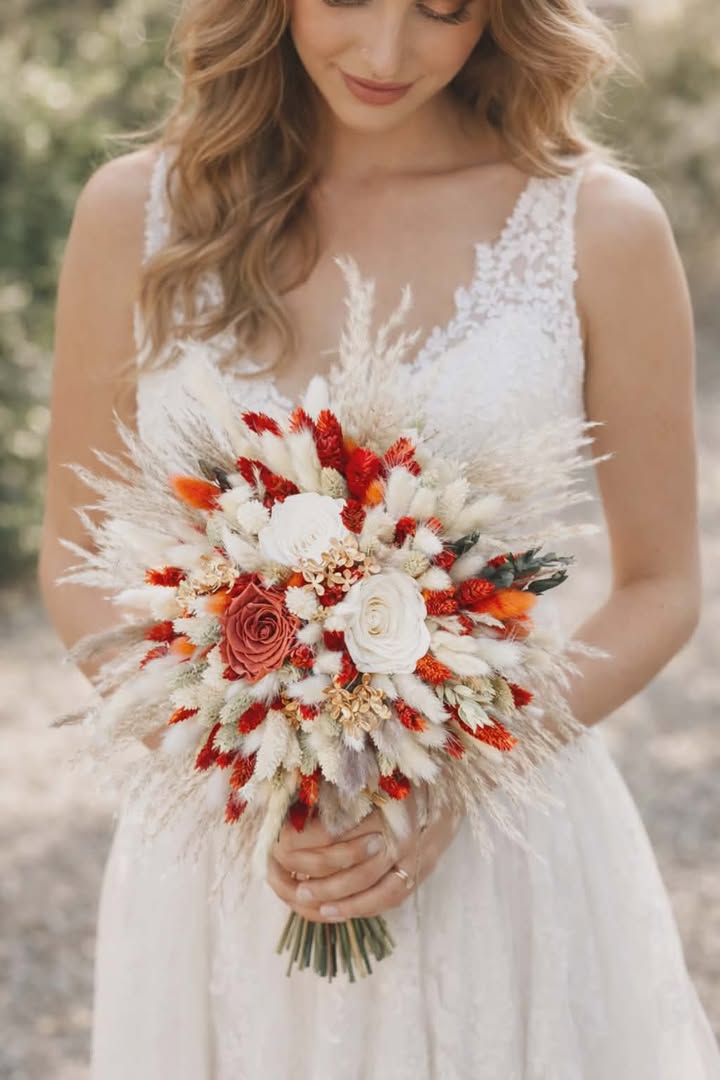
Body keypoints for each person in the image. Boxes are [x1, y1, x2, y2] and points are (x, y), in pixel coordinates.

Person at [38, 0, 720, 1076]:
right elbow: (73, 560)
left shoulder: (597, 228)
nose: (387, 53)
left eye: (443, 9)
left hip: (498, 847)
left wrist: (463, 772)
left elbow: (663, 585)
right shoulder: (137, 215)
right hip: (225, 864)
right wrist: (243, 774)